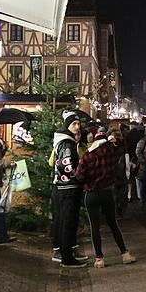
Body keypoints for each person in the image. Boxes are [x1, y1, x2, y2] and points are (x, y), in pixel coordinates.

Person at [76, 129, 136, 268]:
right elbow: (123, 147)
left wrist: (87, 181)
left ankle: (99, 258)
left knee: (95, 227)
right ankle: (124, 254)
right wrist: (117, 140)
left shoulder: (87, 156)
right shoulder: (111, 153)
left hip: (91, 194)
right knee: (113, 224)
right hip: (107, 193)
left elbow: (79, 176)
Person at [52, 110, 89, 268]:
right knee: (67, 222)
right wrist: (79, 177)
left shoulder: (65, 141)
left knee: (63, 221)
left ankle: (64, 252)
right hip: (68, 188)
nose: (77, 126)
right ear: (67, 126)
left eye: (78, 124)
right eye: (74, 124)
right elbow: (67, 166)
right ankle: (67, 258)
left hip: (64, 187)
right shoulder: (67, 143)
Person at [111, 130, 130, 219]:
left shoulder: (111, 150)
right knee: (119, 196)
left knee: (118, 197)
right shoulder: (122, 149)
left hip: (118, 176)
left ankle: (118, 213)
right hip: (118, 176)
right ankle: (118, 213)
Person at [125, 122, 144, 202]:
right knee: (138, 176)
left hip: (130, 157)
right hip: (138, 157)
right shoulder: (140, 135)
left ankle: (129, 195)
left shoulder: (128, 135)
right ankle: (139, 194)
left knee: (129, 177)